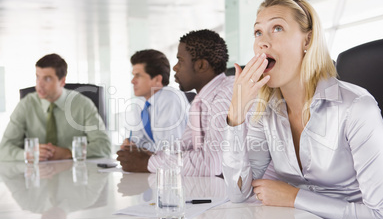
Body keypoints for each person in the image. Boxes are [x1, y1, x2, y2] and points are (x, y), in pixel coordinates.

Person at [222, 0, 383, 219]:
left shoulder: (356, 107)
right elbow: (238, 194)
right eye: (258, 33)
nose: (262, 42)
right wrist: (236, 114)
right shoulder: (267, 112)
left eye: (277, 28)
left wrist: (295, 197)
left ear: (308, 40)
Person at [117, 29, 234, 176]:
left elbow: (214, 163)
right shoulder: (201, 100)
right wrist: (152, 156)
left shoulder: (227, 93)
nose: (175, 67)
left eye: (180, 60)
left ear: (201, 66)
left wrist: (148, 163)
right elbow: (184, 145)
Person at [0, 53, 111, 161]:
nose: (39, 85)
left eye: (47, 79)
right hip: (37, 175)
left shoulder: (83, 104)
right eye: (38, 77)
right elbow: (4, 149)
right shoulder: (26, 104)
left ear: (62, 81)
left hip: (74, 173)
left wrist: (69, 152)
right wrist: (27, 154)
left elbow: (104, 146)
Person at [119, 49, 188, 152]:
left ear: (157, 80)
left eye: (138, 75)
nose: (132, 81)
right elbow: (138, 142)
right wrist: (131, 144)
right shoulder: (142, 103)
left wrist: (139, 149)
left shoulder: (170, 99)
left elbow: (167, 150)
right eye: (133, 75)